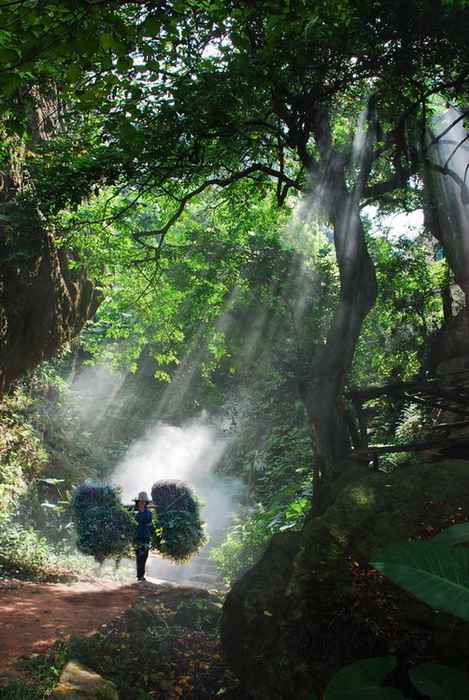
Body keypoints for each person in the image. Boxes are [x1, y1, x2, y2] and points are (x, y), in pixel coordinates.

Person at [133, 491, 153, 581]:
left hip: (145, 536)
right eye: (140, 501)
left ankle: (141, 575)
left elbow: (149, 522)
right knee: (138, 555)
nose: (142, 503)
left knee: (144, 555)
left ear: (146, 503)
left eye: (144, 502)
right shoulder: (133, 512)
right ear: (137, 502)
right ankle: (139, 575)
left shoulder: (148, 513)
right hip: (136, 537)